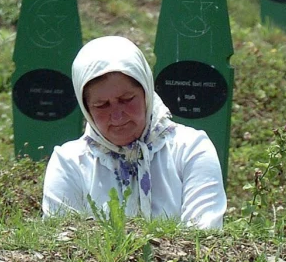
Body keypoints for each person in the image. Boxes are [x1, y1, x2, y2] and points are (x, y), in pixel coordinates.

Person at [42, 36, 226, 229]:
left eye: (127, 99)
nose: (117, 116)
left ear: (146, 93)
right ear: (86, 109)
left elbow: (204, 236)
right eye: (101, 105)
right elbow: (63, 244)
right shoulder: (69, 163)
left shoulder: (191, 149)